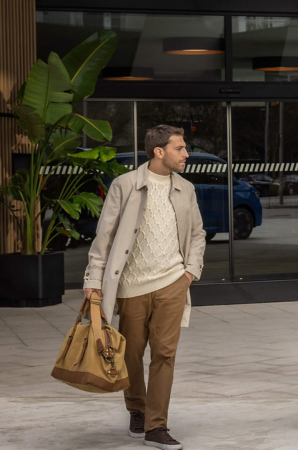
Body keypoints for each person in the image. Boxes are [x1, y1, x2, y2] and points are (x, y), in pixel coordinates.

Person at [83, 125, 206, 450]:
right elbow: (104, 237)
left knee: (165, 355)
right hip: (131, 286)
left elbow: (197, 233)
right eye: (180, 148)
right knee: (132, 354)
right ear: (159, 151)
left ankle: (156, 426)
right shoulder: (125, 185)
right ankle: (136, 409)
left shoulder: (186, 189)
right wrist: (93, 280)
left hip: (172, 283)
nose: (186, 154)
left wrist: (189, 272)